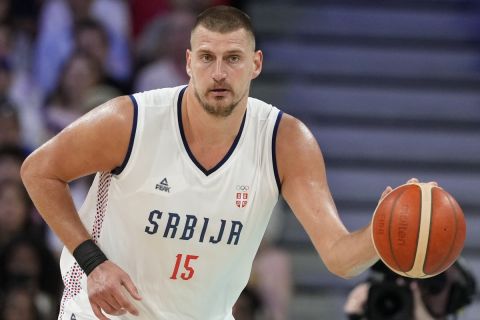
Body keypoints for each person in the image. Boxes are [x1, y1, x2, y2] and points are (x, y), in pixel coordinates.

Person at [21, 5, 427, 319]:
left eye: (233, 58)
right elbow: (38, 170)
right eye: (206, 57)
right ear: (188, 62)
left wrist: (380, 232)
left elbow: (339, 257)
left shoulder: (285, 141)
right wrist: (94, 263)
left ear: (256, 64)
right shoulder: (131, 120)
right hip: (103, 313)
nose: (218, 72)